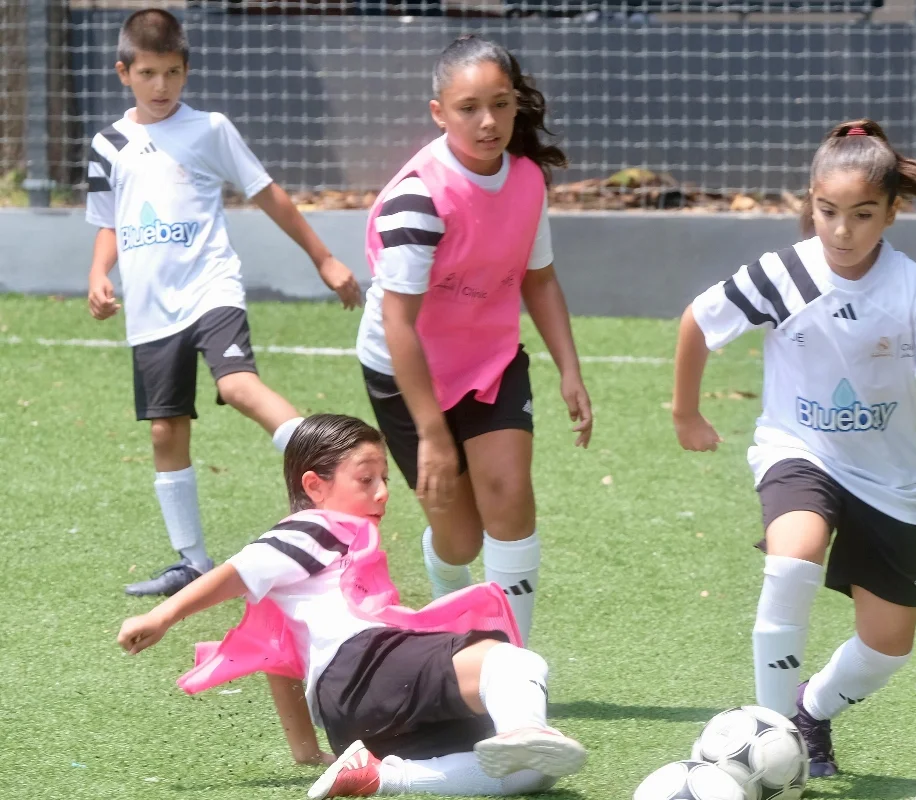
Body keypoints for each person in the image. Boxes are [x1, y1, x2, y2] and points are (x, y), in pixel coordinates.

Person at [671, 119, 916, 776]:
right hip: (798, 449)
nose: (841, 230)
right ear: (809, 203)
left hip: (886, 479)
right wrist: (687, 411)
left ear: (893, 212)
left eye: (862, 214)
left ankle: (810, 708)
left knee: (889, 646)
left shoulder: (909, 284)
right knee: (795, 553)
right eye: (827, 211)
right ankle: (770, 737)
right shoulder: (784, 273)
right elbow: (699, 321)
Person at [117, 414, 588, 798]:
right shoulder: (312, 527)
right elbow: (237, 570)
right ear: (315, 486)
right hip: (366, 666)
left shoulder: (305, 565)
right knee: (513, 663)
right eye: (366, 479)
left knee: (530, 774)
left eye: (384, 478)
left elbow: (278, 661)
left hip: (350, 713)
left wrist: (305, 749)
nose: (382, 492)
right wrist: (163, 615)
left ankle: (378, 777)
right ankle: (526, 728)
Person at [85, 8, 361, 597]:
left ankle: (332, 469)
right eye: (150, 73)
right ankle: (191, 562)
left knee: (237, 386)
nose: (162, 86)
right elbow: (108, 222)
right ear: (123, 72)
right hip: (151, 308)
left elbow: (270, 195)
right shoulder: (107, 144)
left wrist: (324, 258)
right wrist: (98, 272)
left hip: (210, 286)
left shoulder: (210, 129)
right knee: (165, 431)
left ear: (186, 71)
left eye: (174, 72)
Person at [356, 35, 593, 643]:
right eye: (468, 108)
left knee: (510, 497)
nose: (488, 122)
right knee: (459, 539)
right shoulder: (417, 199)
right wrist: (433, 434)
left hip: (490, 361)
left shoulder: (528, 180)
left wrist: (570, 368)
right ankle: (449, 614)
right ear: (439, 112)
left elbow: (539, 281)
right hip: (407, 370)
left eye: (501, 104)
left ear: (517, 105)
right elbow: (399, 325)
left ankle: (515, 662)